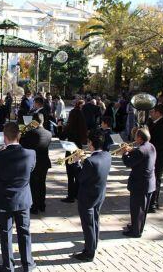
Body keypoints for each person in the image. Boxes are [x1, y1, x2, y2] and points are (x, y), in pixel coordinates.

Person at [0, 122, 36, 272]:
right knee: (24, 232)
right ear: (19, 136)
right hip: (23, 199)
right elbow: (30, 170)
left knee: (6, 233)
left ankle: (8, 265)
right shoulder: (31, 153)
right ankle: (27, 264)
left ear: (4, 138)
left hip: (4, 200)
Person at [72, 129, 111, 262]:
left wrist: (76, 163)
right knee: (95, 220)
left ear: (91, 144)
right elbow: (94, 172)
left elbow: (81, 178)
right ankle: (93, 245)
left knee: (88, 224)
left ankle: (89, 252)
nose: (87, 144)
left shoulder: (90, 161)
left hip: (87, 197)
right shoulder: (107, 155)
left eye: (88, 142)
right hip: (99, 194)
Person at [121, 128, 156, 238]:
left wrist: (125, 153)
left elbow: (129, 163)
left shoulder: (140, 150)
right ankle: (137, 227)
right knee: (142, 210)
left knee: (137, 209)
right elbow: (140, 154)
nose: (134, 138)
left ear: (140, 138)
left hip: (140, 184)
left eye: (136, 136)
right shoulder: (150, 146)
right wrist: (131, 150)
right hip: (148, 183)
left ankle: (135, 232)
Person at [19, 113, 52, 214]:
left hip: (33, 162)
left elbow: (23, 144)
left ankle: (34, 206)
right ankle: (42, 205)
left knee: (33, 184)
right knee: (42, 183)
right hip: (44, 162)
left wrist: (23, 133)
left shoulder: (31, 133)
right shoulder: (49, 133)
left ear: (34, 121)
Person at [57, 104, 88, 203]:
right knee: (78, 172)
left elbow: (61, 137)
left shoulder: (70, 127)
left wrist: (59, 127)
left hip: (70, 149)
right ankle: (77, 194)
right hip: (79, 148)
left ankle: (71, 196)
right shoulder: (82, 126)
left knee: (70, 175)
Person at [147, 104, 163, 213]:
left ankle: (153, 204)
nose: (151, 114)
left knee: (156, 179)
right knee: (153, 179)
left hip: (160, 157)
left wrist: (149, 146)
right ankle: (151, 202)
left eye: (153, 112)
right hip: (154, 156)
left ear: (158, 113)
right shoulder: (153, 123)